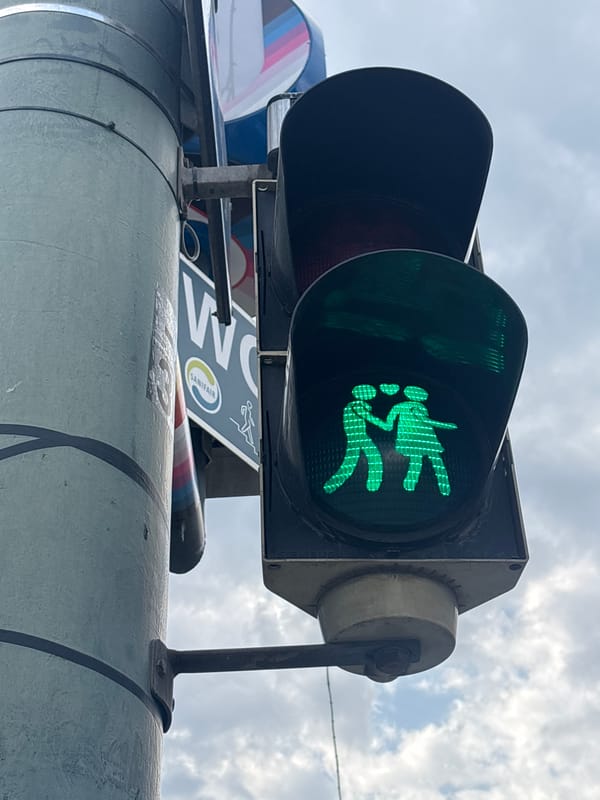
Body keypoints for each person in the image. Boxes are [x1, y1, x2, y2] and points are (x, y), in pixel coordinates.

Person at [384, 385, 457, 496]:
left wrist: (385, 425)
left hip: (410, 440)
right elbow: (426, 421)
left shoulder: (400, 406)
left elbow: (389, 420)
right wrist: (447, 425)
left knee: (416, 461)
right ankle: (444, 487)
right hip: (425, 439)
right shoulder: (417, 407)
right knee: (436, 461)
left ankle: (409, 486)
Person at [323, 384, 388, 494]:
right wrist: (384, 425)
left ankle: (331, 486)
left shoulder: (353, 406)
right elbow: (369, 417)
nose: (372, 395)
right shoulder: (356, 406)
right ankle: (373, 484)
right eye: (370, 393)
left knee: (351, 463)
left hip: (356, 436)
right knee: (372, 457)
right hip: (358, 436)